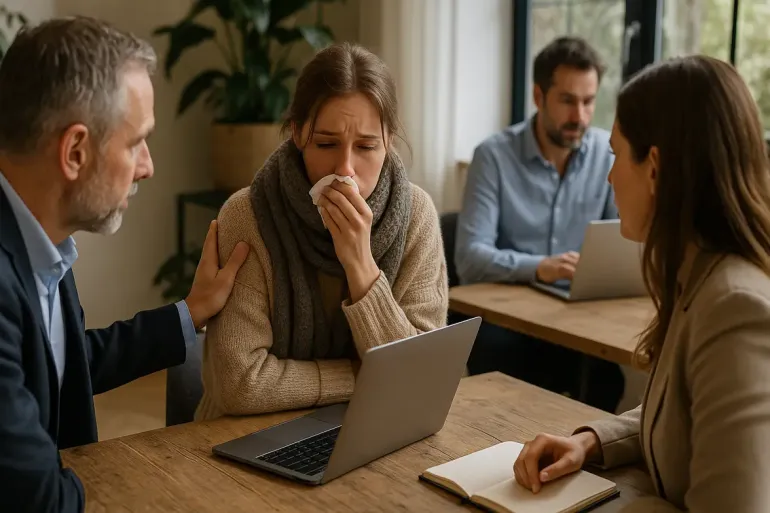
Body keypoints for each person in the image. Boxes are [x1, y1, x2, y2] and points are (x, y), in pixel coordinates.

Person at [0, 17, 248, 513]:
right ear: (75, 151)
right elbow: (41, 500)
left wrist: (190, 312)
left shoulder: (41, 241)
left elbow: (59, 366)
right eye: (136, 143)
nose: (148, 166)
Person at [514, 55, 770, 512]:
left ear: (654, 168)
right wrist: (589, 441)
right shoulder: (699, 277)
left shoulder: (735, 307)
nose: (609, 175)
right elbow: (681, 416)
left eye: (616, 154)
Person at [195, 42, 448, 420]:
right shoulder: (248, 215)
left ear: (390, 141)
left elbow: (421, 378)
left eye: (366, 146)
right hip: (244, 434)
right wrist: (364, 377)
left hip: (374, 426)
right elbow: (241, 385)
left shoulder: (416, 216)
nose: (345, 168)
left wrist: (361, 265)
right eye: (327, 143)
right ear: (297, 133)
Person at [454, 36, 622, 412]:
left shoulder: (608, 155)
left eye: (588, 101)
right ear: (538, 95)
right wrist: (541, 267)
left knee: (606, 379)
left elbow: (622, 244)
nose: (580, 116)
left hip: (578, 318)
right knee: (503, 360)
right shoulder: (493, 157)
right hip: (509, 321)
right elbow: (469, 258)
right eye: (567, 100)